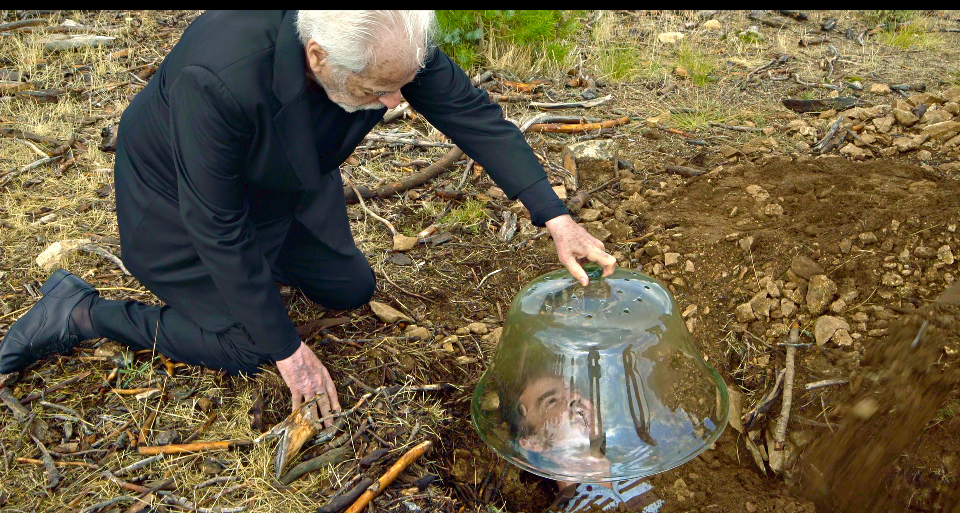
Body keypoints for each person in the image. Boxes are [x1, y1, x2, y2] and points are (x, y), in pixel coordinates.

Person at [0, 10, 616, 426]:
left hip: (290, 182)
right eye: (380, 90)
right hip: (178, 202)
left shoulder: (387, 38)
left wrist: (554, 217)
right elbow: (216, 222)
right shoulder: (219, 79)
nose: (397, 103)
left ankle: (257, 280)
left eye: (401, 84)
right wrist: (289, 352)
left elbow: (471, 115)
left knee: (351, 289)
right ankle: (80, 312)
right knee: (251, 343)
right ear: (318, 56)